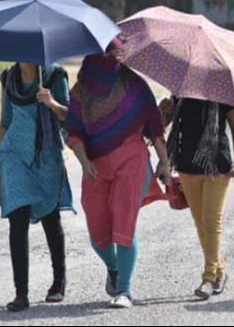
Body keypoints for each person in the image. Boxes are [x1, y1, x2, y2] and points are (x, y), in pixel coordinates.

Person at [65, 39, 172, 309]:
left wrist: (165, 163)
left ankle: (124, 290)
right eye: (104, 54)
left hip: (132, 162)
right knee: (98, 233)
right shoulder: (81, 90)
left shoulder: (134, 86)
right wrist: (83, 159)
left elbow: (155, 128)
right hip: (95, 167)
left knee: (124, 224)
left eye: (114, 54)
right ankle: (114, 268)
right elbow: (73, 130)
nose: (109, 59)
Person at [0, 62, 74, 312]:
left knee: (50, 216)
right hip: (13, 155)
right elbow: (5, 122)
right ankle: (21, 293)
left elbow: (69, 116)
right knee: (17, 222)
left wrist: (51, 103)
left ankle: (58, 281)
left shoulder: (55, 76)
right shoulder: (9, 78)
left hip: (46, 156)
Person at [160, 96, 234, 301]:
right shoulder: (180, 95)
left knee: (212, 220)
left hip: (218, 165)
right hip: (187, 165)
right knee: (199, 221)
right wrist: (164, 112)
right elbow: (161, 126)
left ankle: (208, 278)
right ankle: (220, 271)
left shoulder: (224, 95)